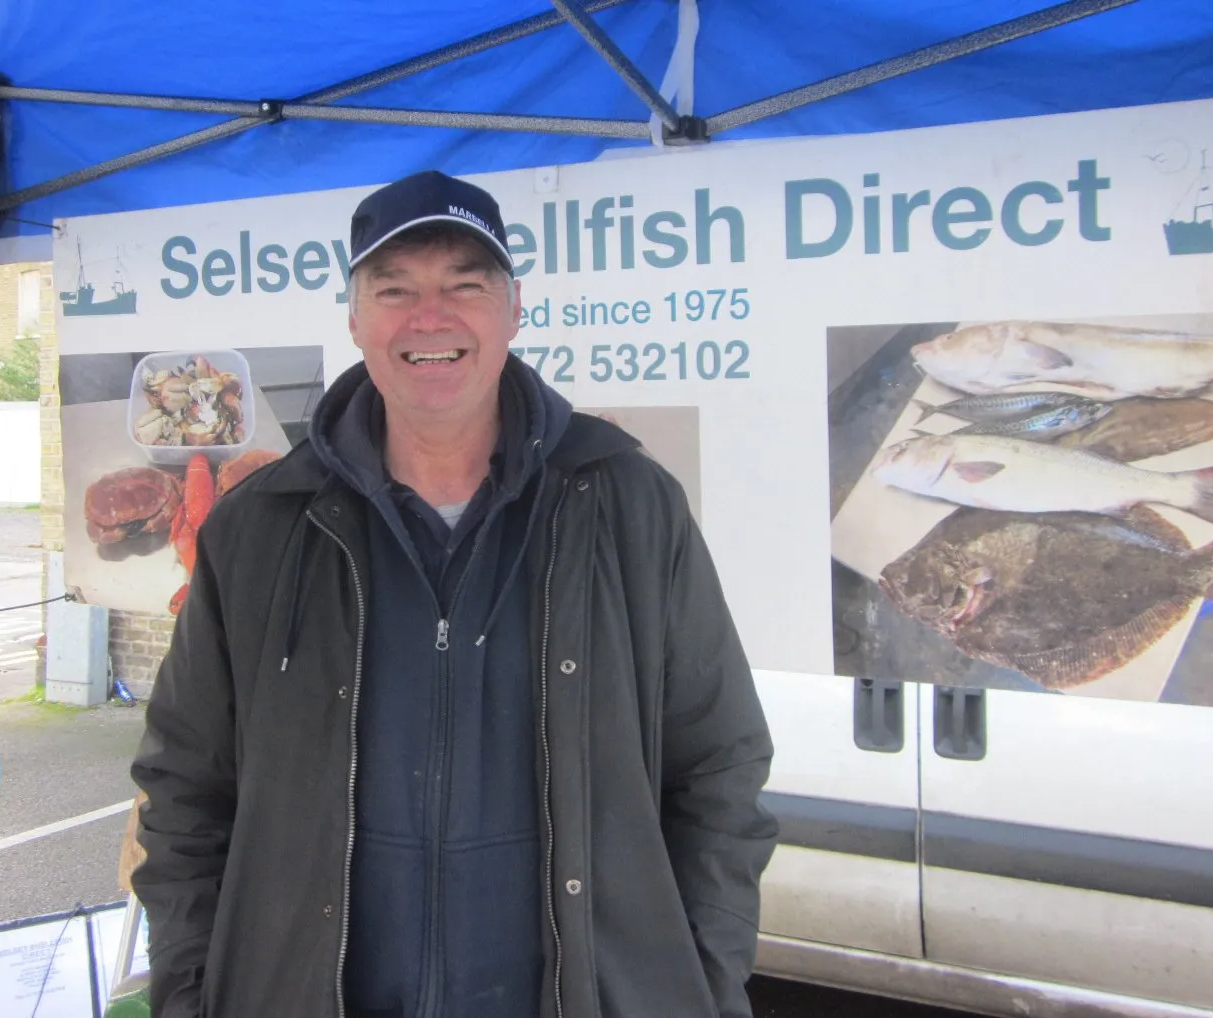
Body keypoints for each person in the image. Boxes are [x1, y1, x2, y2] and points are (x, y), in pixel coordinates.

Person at [129, 169, 779, 1018]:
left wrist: (703, 989)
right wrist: (190, 997)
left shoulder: (628, 503)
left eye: (464, 286)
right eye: (394, 289)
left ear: (513, 309)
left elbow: (719, 768)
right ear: (355, 319)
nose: (428, 317)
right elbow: (185, 792)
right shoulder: (259, 527)